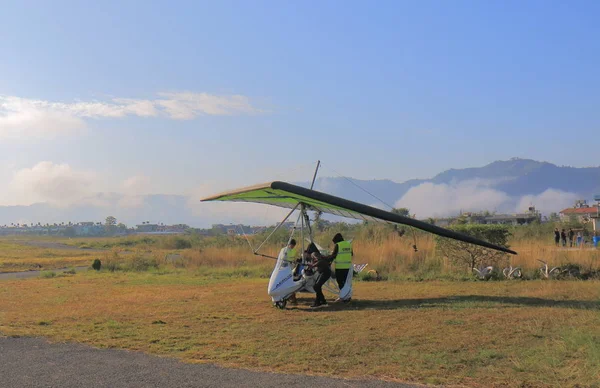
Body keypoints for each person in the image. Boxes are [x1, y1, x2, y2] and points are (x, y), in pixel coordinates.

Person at [323, 233, 353, 302]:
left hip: (340, 267)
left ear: (336, 240)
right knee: (346, 283)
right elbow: (351, 254)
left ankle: (343, 297)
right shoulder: (348, 244)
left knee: (340, 283)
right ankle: (348, 297)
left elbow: (333, 256)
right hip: (348, 267)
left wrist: (325, 258)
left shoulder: (338, 245)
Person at [281, 239, 298, 305]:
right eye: (291, 245)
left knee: (290, 281)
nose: (292, 247)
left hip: (291, 268)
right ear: (289, 244)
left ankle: (291, 297)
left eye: (293, 246)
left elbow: (294, 258)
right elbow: (282, 258)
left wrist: (294, 261)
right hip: (284, 267)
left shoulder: (294, 250)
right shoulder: (284, 250)